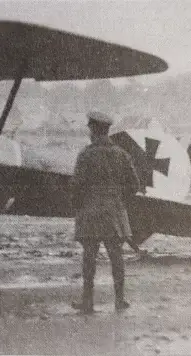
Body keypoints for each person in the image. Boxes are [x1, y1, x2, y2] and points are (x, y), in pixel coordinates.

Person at [69, 111, 141, 314]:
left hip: (90, 211)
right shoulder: (121, 154)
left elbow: (76, 186)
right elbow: (134, 185)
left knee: (89, 258)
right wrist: (119, 200)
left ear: (93, 130)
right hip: (114, 212)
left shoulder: (85, 154)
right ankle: (119, 300)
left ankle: (88, 302)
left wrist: (79, 205)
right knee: (116, 257)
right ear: (107, 130)